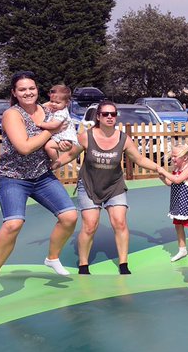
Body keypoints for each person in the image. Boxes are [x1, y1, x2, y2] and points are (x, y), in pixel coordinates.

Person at [0, 71, 78, 287]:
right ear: (14, 92)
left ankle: (52, 258)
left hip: (42, 176)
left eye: (31, 88)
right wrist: (51, 133)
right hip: (13, 178)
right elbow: (24, 147)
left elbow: (60, 136)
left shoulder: (47, 110)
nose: (28, 92)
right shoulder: (12, 114)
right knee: (14, 223)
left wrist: (62, 143)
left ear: (37, 90)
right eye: (22, 89)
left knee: (69, 216)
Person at [54, 100, 168, 275]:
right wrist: (54, 164)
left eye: (113, 114)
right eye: (105, 114)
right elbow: (70, 154)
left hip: (114, 186)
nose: (109, 117)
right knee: (90, 225)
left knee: (120, 222)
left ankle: (123, 264)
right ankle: (83, 265)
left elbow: (139, 159)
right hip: (89, 185)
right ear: (98, 117)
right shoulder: (86, 136)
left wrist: (159, 168)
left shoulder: (124, 139)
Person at [159, 141, 188, 262]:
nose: (173, 158)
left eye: (175, 156)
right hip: (177, 202)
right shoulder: (176, 168)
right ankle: (182, 249)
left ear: (185, 157)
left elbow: (177, 180)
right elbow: (170, 183)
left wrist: (164, 172)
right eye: (172, 156)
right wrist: (162, 178)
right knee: (178, 225)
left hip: (187, 203)